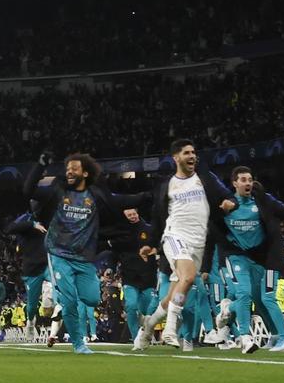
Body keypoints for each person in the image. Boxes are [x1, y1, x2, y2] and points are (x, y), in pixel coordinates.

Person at [25, 152, 148, 354]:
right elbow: (28, 190)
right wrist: (39, 166)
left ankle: (71, 303)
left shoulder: (96, 195)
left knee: (91, 299)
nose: (69, 172)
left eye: (74, 168)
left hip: (83, 258)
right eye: (67, 169)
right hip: (58, 253)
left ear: (85, 172)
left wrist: (147, 195)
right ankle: (78, 344)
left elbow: (119, 201)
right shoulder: (58, 190)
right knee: (69, 299)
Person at [133, 140, 235, 352]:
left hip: (198, 242)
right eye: (187, 152)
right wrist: (151, 243)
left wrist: (228, 203)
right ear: (176, 158)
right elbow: (157, 218)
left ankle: (147, 329)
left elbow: (227, 195)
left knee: (174, 294)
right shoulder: (167, 185)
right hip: (174, 236)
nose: (192, 156)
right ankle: (170, 329)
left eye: (194, 152)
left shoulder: (205, 178)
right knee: (188, 277)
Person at [208, 167, 284, 353]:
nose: (248, 183)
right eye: (243, 180)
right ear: (234, 183)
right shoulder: (226, 206)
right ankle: (275, 335)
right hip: (250, 258)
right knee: (257, 299)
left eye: (250, 179)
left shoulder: (263, 203)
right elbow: (212, 222)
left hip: (270, 259)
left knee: (267, 297)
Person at [103, 209, 157, 341]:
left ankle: (147, 333)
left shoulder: (149, 230)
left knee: (146, 310)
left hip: (148, 277)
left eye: (134, 214)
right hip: (129, 277)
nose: (132, 217)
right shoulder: (120, 234)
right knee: (131, 306)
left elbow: (157, 247)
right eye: (129, 215)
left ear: (138, 214)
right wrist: (110, 268)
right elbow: (113, 254)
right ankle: (136, 338)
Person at [4, 205, 51, 341]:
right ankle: (30, 321)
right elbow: (9, 229)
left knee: (57, 283)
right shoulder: (26, 218)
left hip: (48, 263)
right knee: (31, 306)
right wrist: (32, 225)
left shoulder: (51, 216)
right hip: (31, 268)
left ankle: (49, 300)